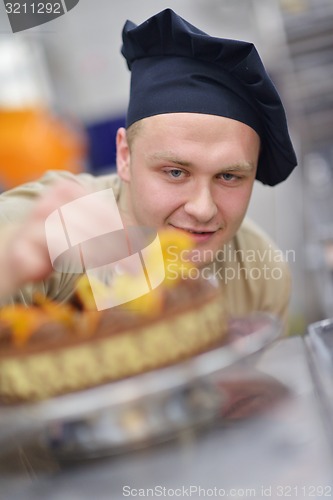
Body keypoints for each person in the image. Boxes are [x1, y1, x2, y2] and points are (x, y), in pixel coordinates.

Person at [0, 9, 297, 330]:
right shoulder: (45, 229)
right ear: (125, 155)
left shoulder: (259, 276)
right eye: (175, 172)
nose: (202, 208)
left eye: (228, 176)